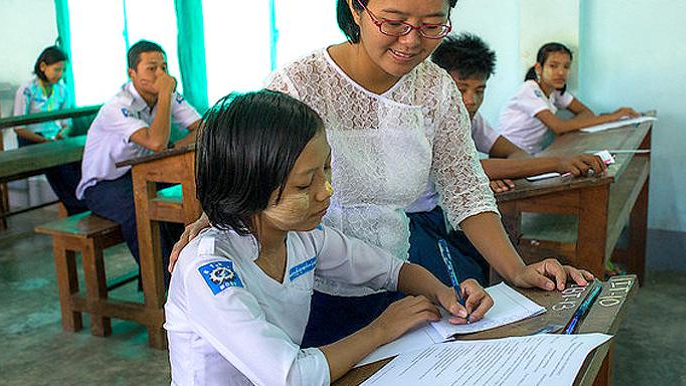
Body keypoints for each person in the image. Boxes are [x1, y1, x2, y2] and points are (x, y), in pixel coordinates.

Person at [172, 0, 592, 348]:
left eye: (432, 25)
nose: (411, 41)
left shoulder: (436, 88)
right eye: (393, 22)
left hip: (395, 277)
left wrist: (517, 270)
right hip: (302, 291)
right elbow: (250, 168)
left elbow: (465, 187)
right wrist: (216, 217)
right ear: (356, 9)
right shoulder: (299, 85)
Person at [165, 90, 493, 385]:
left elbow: (391, 271)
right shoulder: (208, 270)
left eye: (327, 169)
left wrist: (444, 293)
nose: (327, 191)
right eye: (304, 185)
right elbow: (293, 376)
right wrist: (382, 329)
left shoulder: (301, 238)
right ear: (247, 189)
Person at [405, 33, 607, 285]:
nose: (471, 100)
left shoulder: (472, 119)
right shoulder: (422, 118)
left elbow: (512, 153)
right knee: (465, 281)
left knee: (484, 265)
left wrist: (497, 173)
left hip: (438, 216)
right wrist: (554, 163)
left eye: (480, 91)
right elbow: (465, 169)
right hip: (413, 222)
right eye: (461, 89)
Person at [76, 40, 201, 287]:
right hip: (104, 184)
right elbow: (155, 142)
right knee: (141, 211)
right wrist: (166, 93)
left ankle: (186, 277)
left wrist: (173, 149)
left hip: (140, 175)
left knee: (176, 205)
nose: (161, 75)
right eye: (152, 68)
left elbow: (201, 127)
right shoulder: (118, 106)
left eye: (164, 67)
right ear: (131, 73)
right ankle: (163, 286)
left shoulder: (166, 96)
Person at [498, 42, 640, 154]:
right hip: (508, 156)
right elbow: (558, 127)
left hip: (531, 155)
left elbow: (587, 113)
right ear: (539, 68)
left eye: (566, 67)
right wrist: (614, 116)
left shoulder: (556, 92)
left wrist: (568, 127)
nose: (561, 72)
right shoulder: (529, 90)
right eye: (553, 66)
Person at [13, 46, 87, 215]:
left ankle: (81, 203)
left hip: (53, 138)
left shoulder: (62, 90)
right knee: (57, 163)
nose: (60, 74)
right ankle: (77, 206)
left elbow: (66, 122)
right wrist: (45, 141)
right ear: (43, 67)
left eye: (63, 70)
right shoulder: (27, 90)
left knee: (75, 160)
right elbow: (19, 128)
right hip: (32, 140)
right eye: (56, 70)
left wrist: (63, 134)